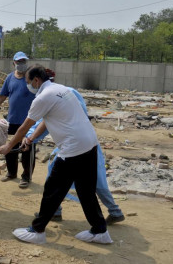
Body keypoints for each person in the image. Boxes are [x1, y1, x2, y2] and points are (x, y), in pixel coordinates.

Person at [0, 64, 113, 244]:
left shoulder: (42, 97)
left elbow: (23, 127)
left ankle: (37, 230)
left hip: (73, 149)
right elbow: (45, 120)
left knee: (52, 190)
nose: (27, 86)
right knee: (86, 190)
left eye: (28, 82)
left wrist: (8, 146)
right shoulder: (62, 89)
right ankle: (100, 230)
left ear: (36, 80)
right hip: (89, 144)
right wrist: (31, 139)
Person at [24, 87, 125, 225]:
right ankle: (57, 211)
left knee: (92, 181)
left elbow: (44, 124)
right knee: (81, 180)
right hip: (79, 143)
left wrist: (29, 138)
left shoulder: (51, 98)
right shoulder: (65, 93)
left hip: (76, 146)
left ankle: (112, 213)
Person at [0, 51, 36, 188]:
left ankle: (26, 176)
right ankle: (11, 173)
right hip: (12, 120)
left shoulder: (31, 78)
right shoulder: (9, 78)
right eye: (19, 62)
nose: (21, 64)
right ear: (14, 63)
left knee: (27, 149)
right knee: (10, 147)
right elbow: (2, 96)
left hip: (28, 121)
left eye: (23, 61)